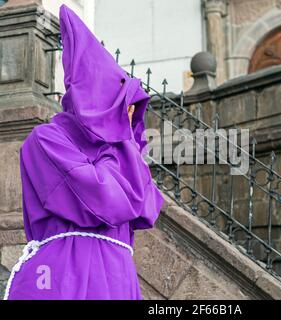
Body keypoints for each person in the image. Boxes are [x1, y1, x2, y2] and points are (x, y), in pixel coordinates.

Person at [4, 5, 164, 300]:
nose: (129, 118)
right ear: (98, 99)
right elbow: (106, 200)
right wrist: (119, 142)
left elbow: (146, 207)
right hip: (64, 275)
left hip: (117, 275)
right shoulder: (48, 139)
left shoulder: (119, 149)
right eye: (122, 105)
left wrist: (121, 141)